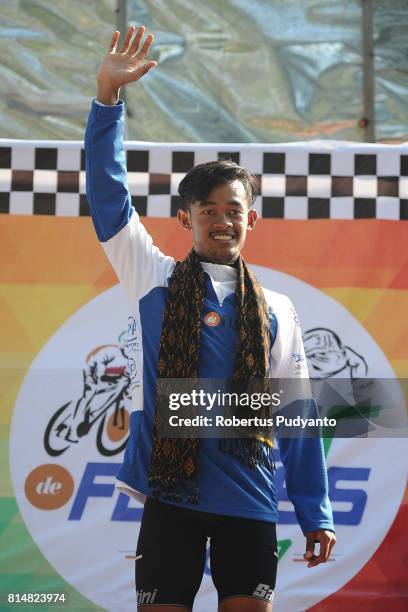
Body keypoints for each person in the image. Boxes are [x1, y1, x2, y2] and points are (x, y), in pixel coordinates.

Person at [85, 24, 336, 612]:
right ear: (185, 219)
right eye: (207, 211)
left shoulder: (278, 309)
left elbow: (297, 412)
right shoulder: (154, 278)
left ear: (253, 221)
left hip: (249, 500)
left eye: (234, 210)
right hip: (169, 494)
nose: (222, 220)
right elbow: (106, 193)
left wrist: (315, 512)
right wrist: (107, 100)